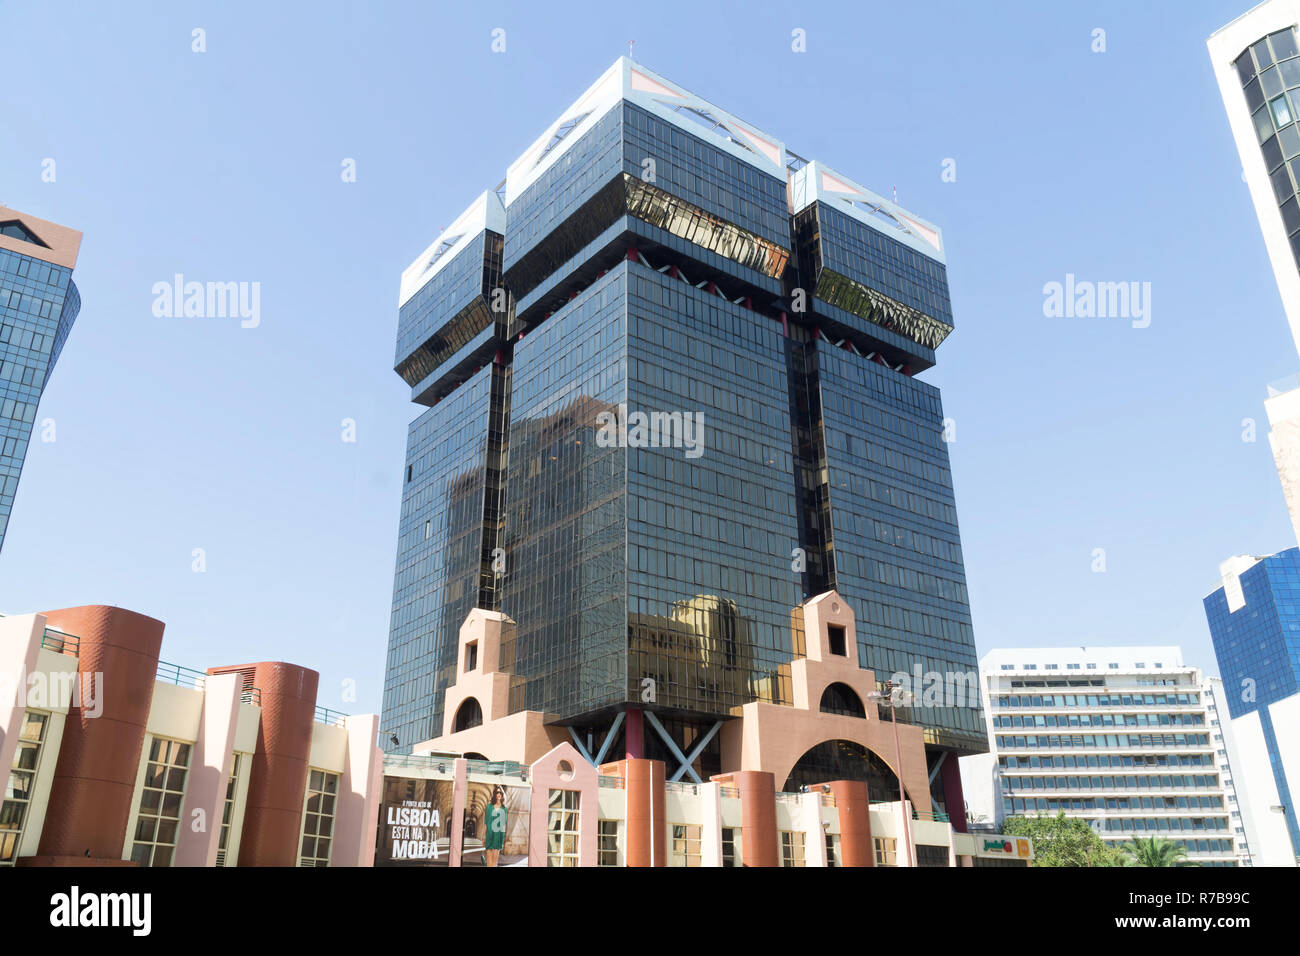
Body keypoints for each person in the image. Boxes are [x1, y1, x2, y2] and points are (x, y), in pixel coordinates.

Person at [484, 787, 507, 866]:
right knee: (489, 861)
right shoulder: (489, 807)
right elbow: (486, 823)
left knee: (495, 861)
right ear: (494, 794)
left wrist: (502, 839)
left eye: (500, 793)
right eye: (497, 792)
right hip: (489, 835)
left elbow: (504, 825)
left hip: (498, 836)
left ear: (502, 795)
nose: (499, 794)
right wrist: (483, 837)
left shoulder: (504, 809)